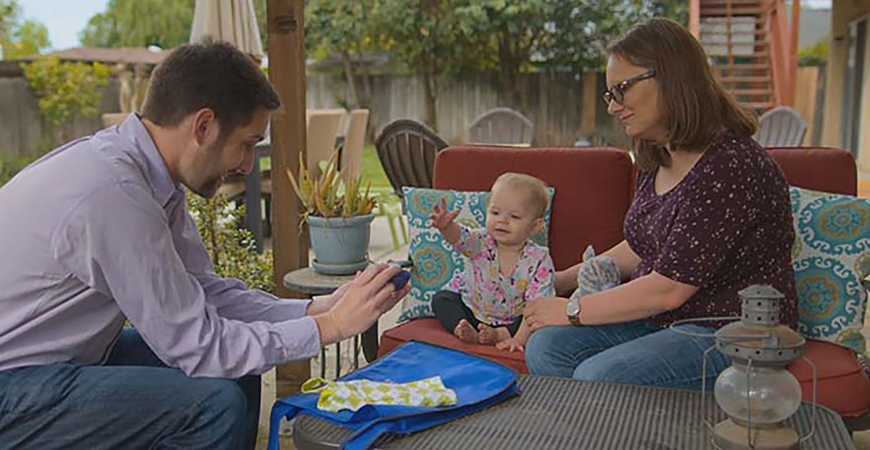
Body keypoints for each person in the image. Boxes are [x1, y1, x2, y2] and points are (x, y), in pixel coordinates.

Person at [0, 42, 408, 450]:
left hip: (59, 358)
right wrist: (330, 328)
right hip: (13, 385)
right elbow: (198, 346)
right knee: (213, 405)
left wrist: (318, 307)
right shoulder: (116, 194)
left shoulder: (149, 177)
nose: (249, 165)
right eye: (247, 143)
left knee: (237, 368)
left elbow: (206, 294)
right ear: (203, 127)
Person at [522, 18, 798, 389]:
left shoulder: (730, 165)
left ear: (671, 76)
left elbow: (669, 288)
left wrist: (572, 309)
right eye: (610, 94)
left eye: (621, 89)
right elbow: (643, 246)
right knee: (546, 348)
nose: (613, 107)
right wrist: (561, 280)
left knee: (602, 377)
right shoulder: (658, 155)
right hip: (669, 319)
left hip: (735, 328)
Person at [430, 172, 555, 351]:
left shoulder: (538, 259)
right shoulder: (480, 241)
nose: (502, 220)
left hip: (512, 319)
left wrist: (518, 340)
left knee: (535, 321)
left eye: (514, 217)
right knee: (441, 299)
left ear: (535, 226)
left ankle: (498, 334)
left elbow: (536, 306)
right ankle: (462, 327)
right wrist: (447, 227)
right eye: (495, 212)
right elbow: (460, 238)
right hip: (472, 309)